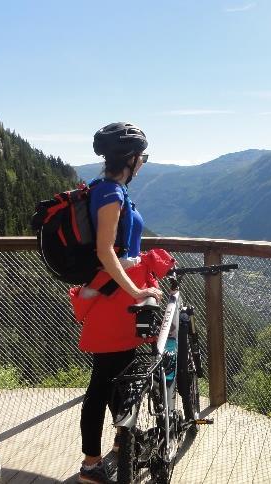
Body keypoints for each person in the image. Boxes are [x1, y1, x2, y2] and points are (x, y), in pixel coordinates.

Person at [73, 122, 170, 484]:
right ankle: (90, 464)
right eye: (141, 156)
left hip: (113, 299)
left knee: (116, 378)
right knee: (103, 382)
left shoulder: (104, 188)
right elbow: (105, 253)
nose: (143, 162)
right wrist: (137, 292)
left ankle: (121, 441)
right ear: (129, 159)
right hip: (116, 304)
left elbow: (119, 250)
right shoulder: (112, 194)